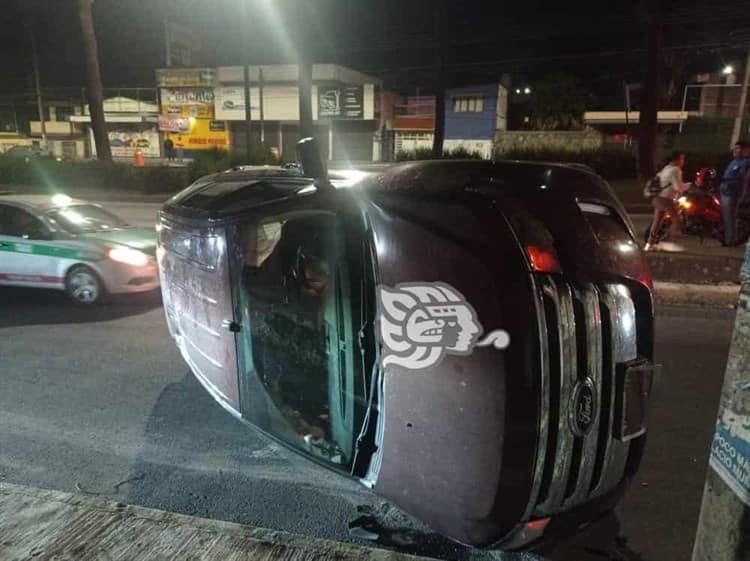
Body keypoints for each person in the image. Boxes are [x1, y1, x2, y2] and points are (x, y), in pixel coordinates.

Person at [645, 150, 690, 251]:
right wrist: (688, 185)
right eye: (682, 159)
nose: (683, 161)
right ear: (678, 159)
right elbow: (677, 187)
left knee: (657, 222)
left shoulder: (666, 168)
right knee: (677, 221)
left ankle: (649, 244)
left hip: (657, 198)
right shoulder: (676, 170)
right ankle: (668, 243)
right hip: (666, 199)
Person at [719, 140, 750, 246]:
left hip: (733, 193)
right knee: (726, 217)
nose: (735, 150)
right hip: (725, 191)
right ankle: (727, 239)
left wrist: (741, 193)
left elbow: (743, 179)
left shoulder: (746, 163)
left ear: (746, 150)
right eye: (735, 148)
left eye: (738, 148)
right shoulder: (734, 161)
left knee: (730, 218)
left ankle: (730, 241)